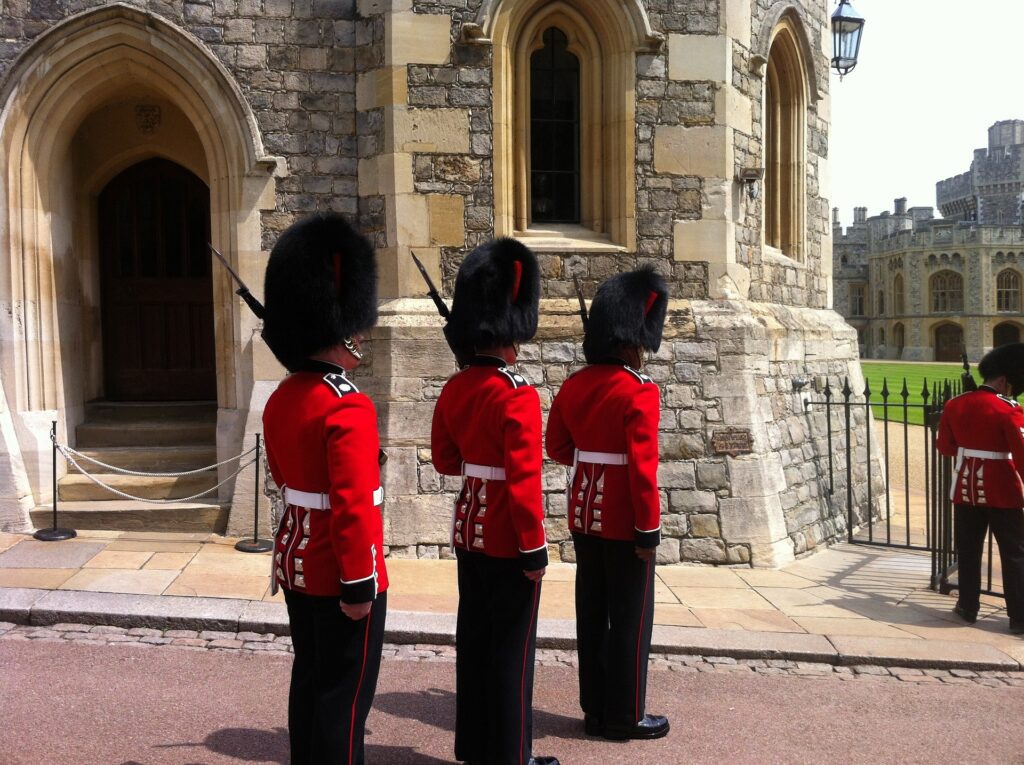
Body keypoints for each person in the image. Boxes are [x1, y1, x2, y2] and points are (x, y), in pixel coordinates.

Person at [261, 213, 389, 764]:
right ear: (338, 325)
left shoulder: (281, 398)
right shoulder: (348, 405)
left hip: (296, 563)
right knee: (345, 700)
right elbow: (354, 505)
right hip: (341, 571)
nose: (359, 337)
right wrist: (359, 583)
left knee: (310, 683)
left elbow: (284, 480)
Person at [430, 238, 559, 765]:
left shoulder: (456, 388)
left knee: (476, 641)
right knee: (512, 650)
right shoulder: (516, 392)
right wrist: (534, 548)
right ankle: (512, 756)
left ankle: (478, 747)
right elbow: (524, 479)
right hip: (508, 537)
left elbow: (444, 461)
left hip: (469, 532)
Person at [545, 266, 671, 741]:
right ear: (632, 338)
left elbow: (557, 447)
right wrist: (648, 530)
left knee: (592, 615)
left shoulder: (574, 386)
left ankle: (594, 709)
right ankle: (625, 714)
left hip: (584, 515)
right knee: (632, 619)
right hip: (624, 519)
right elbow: (642, 469)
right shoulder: (638, 390)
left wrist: (591, 460)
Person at [937, 342, 1024, 635]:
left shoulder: (955, 404)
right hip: (1001, 490)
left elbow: (946, 448)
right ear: (1003, 380)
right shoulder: (1009, 409)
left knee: (969, 551)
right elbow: (1022, 454)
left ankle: (967, 607)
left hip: (964, 490)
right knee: (1013, 554)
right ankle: (1019, 617)